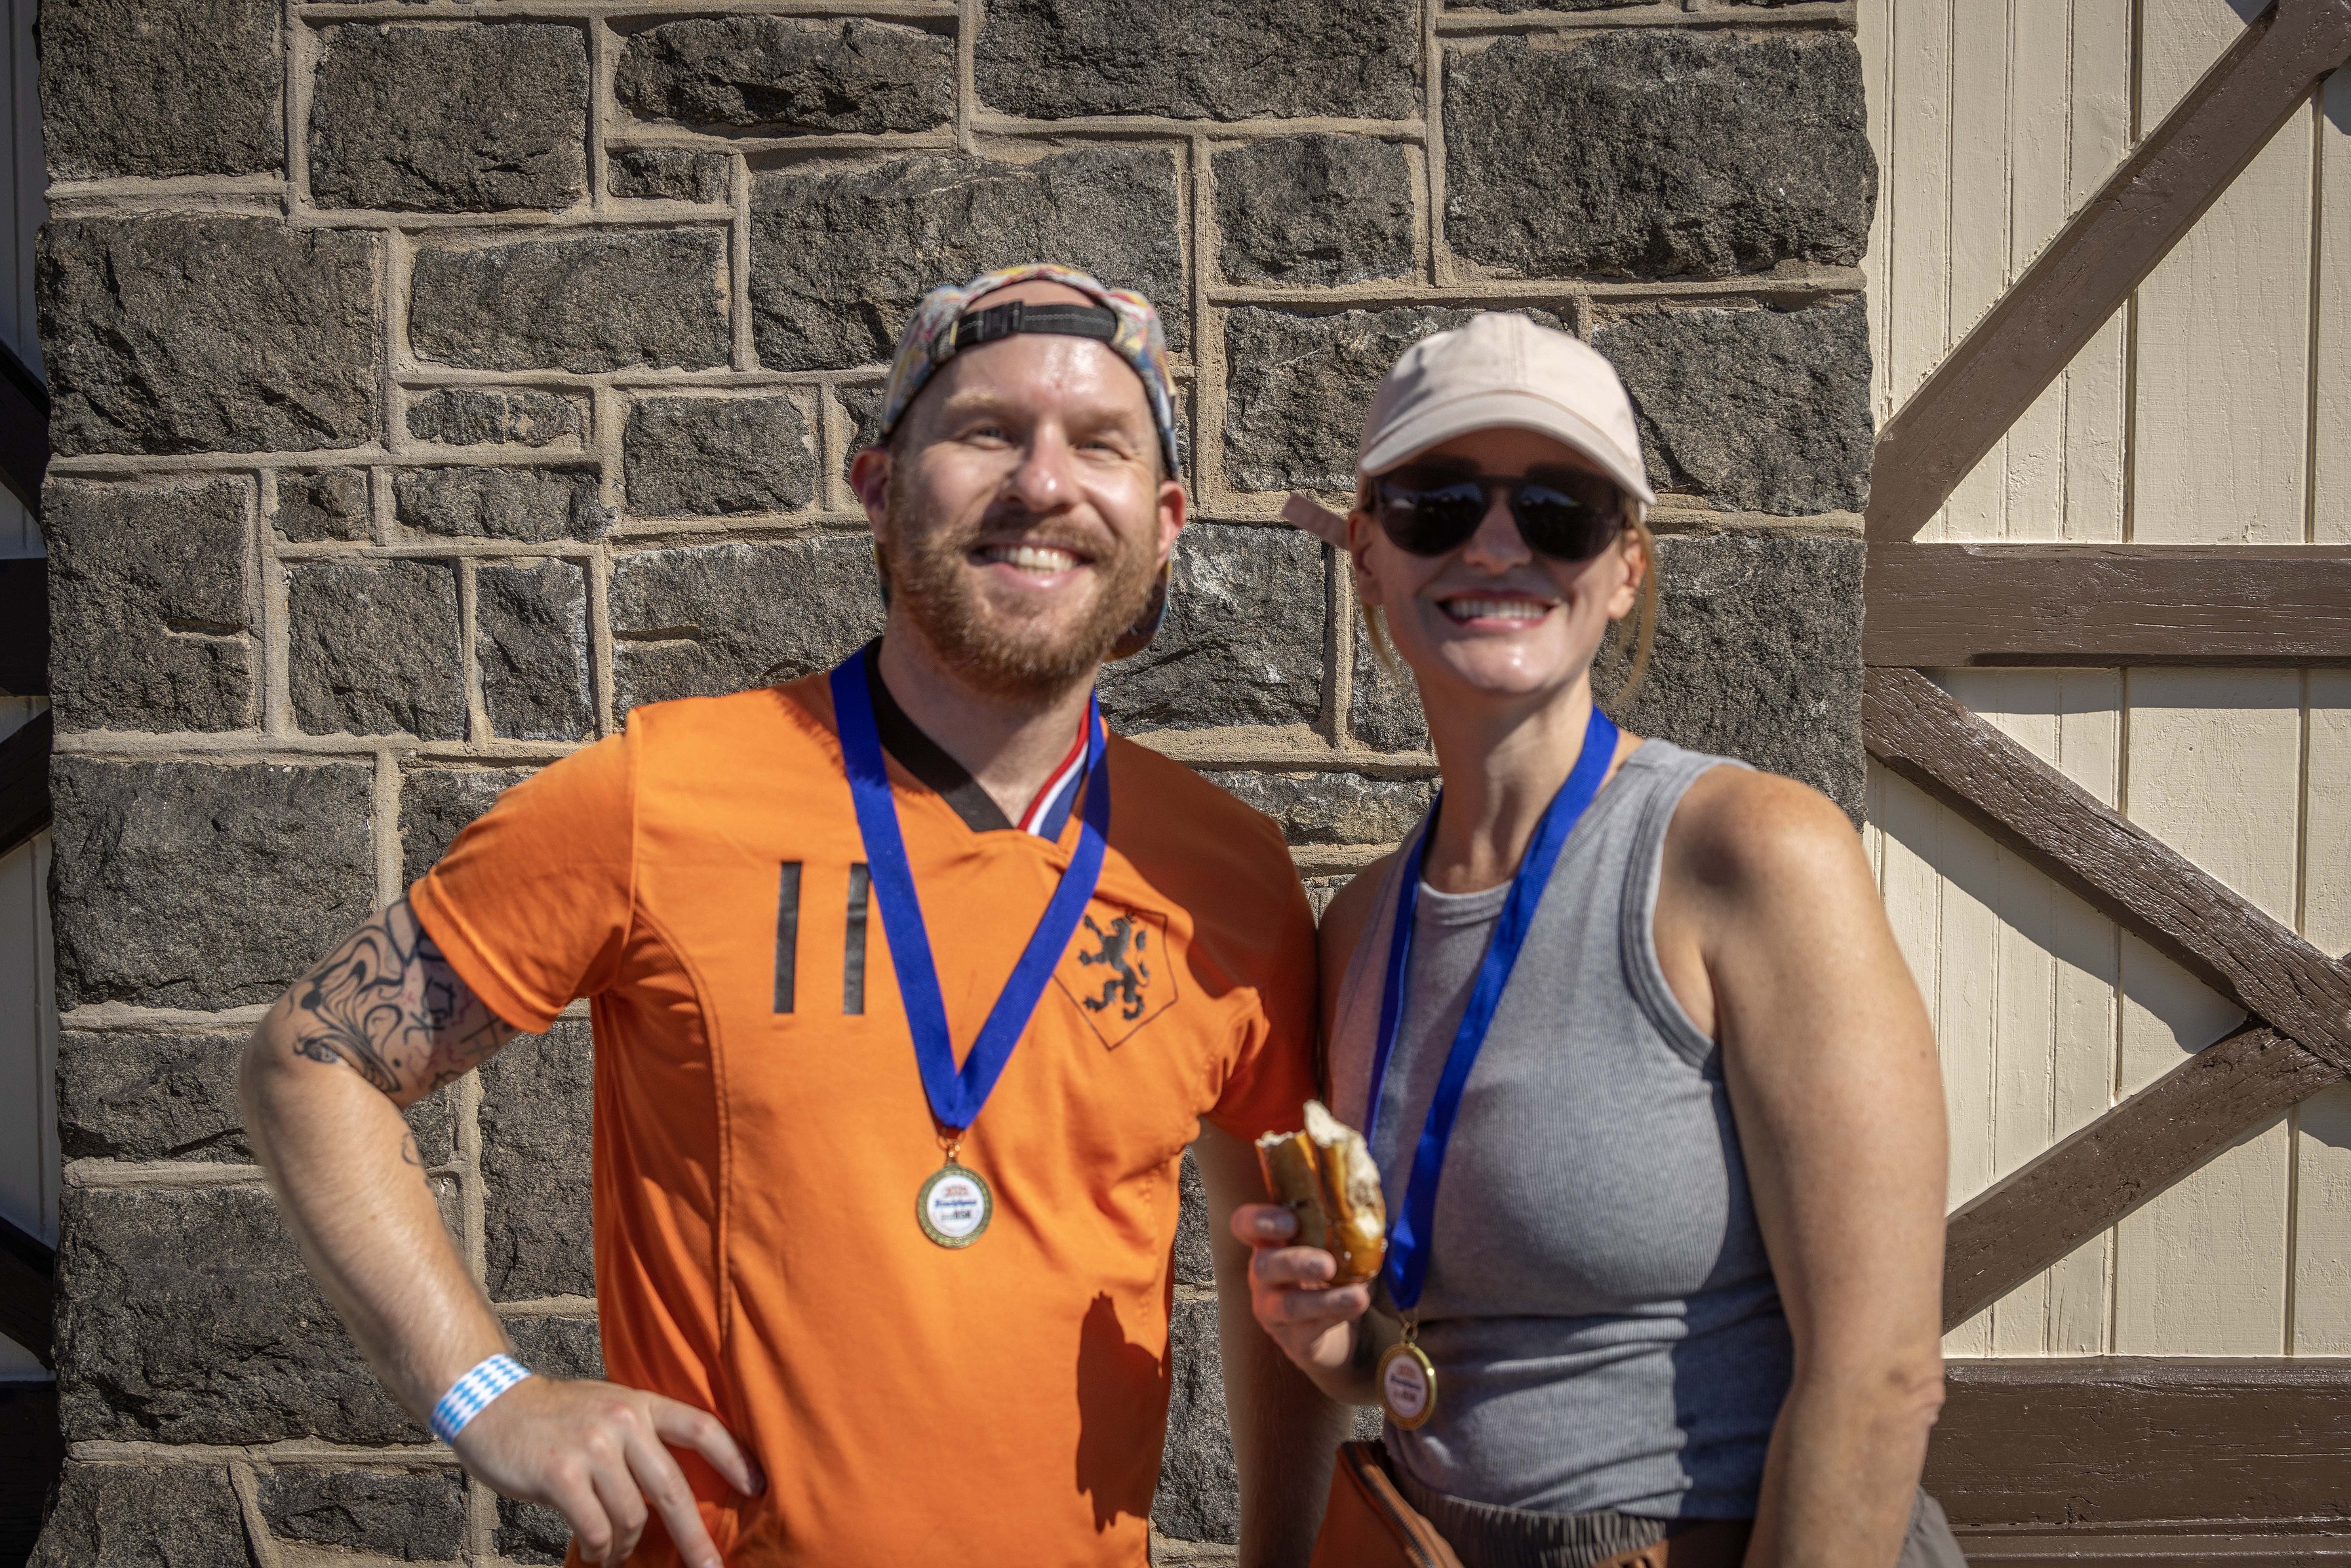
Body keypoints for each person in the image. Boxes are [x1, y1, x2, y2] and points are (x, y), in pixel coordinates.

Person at [240, 264, 1347, 1568]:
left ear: (1162, 524)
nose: (1043, 481)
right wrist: (488, 1392)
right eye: (986, 430)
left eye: (1098, 443)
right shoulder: (659, 794)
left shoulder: (1229, 875)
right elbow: (311, 1062)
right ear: (878, 487)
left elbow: (1279, 1266)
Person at [1240, 313, 1960, 1568]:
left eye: (1559, 509)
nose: (1495, 544)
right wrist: (1339, 1343)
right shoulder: (1360, 925)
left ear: (1625, 566)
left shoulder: (1747, 854)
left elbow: (1879, 1376)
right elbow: (1442, 1352)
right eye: (1436, 503)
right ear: (1366, 557)